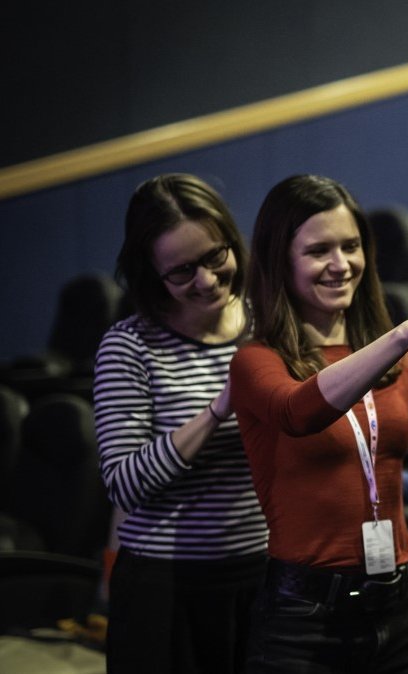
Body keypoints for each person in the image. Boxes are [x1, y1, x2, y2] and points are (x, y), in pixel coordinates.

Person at [228, 174, 408, 673]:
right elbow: (298, 412)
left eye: (351, 246)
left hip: (397, 605)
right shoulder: (255, 361)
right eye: (319, 251)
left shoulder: (397, 359)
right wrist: (402, 335)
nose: (341, 265)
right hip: (304, 619)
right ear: (281, 260)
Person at [95, 173, 268, 673]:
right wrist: (219, 408)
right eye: (182, 271)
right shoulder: (130, 346)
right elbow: (122, 484)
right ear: (150, 274)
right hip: (165, 587)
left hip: (262, 575)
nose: (207, 280)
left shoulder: (266, 323)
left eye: (216, 257)